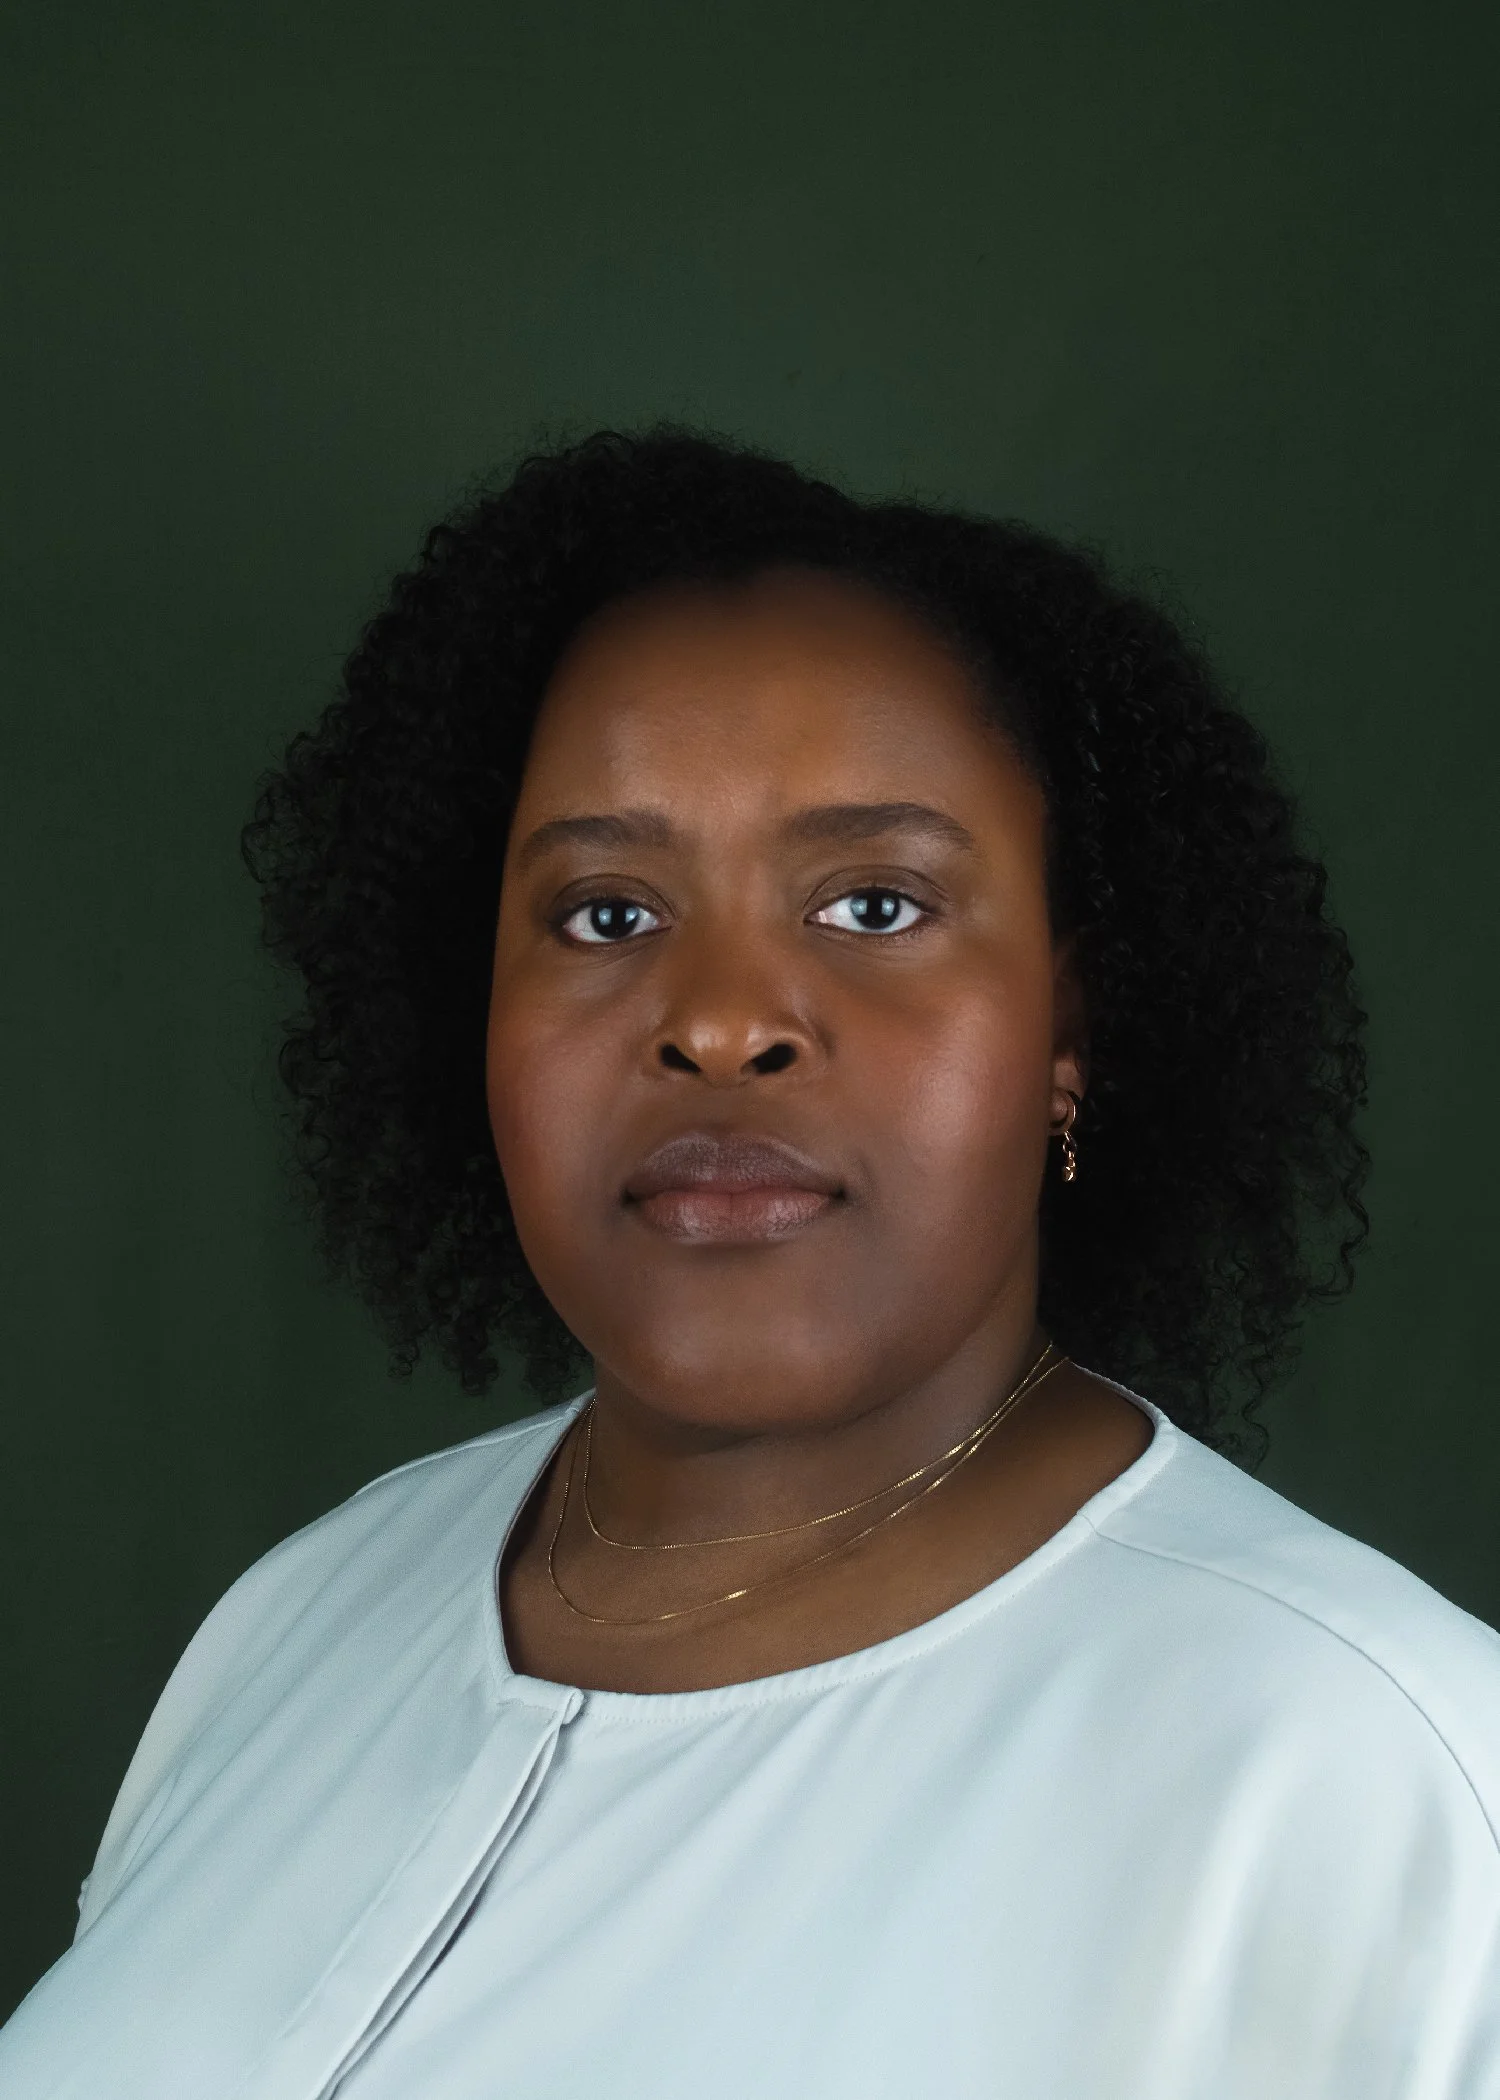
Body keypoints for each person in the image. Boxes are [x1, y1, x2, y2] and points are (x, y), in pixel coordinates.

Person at [4, 428, 1497, 2097]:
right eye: (607, 915)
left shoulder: (1374, 1776)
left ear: (1069, 1031)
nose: (719, 1023)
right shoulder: (300, 1622)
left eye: (875, 905)